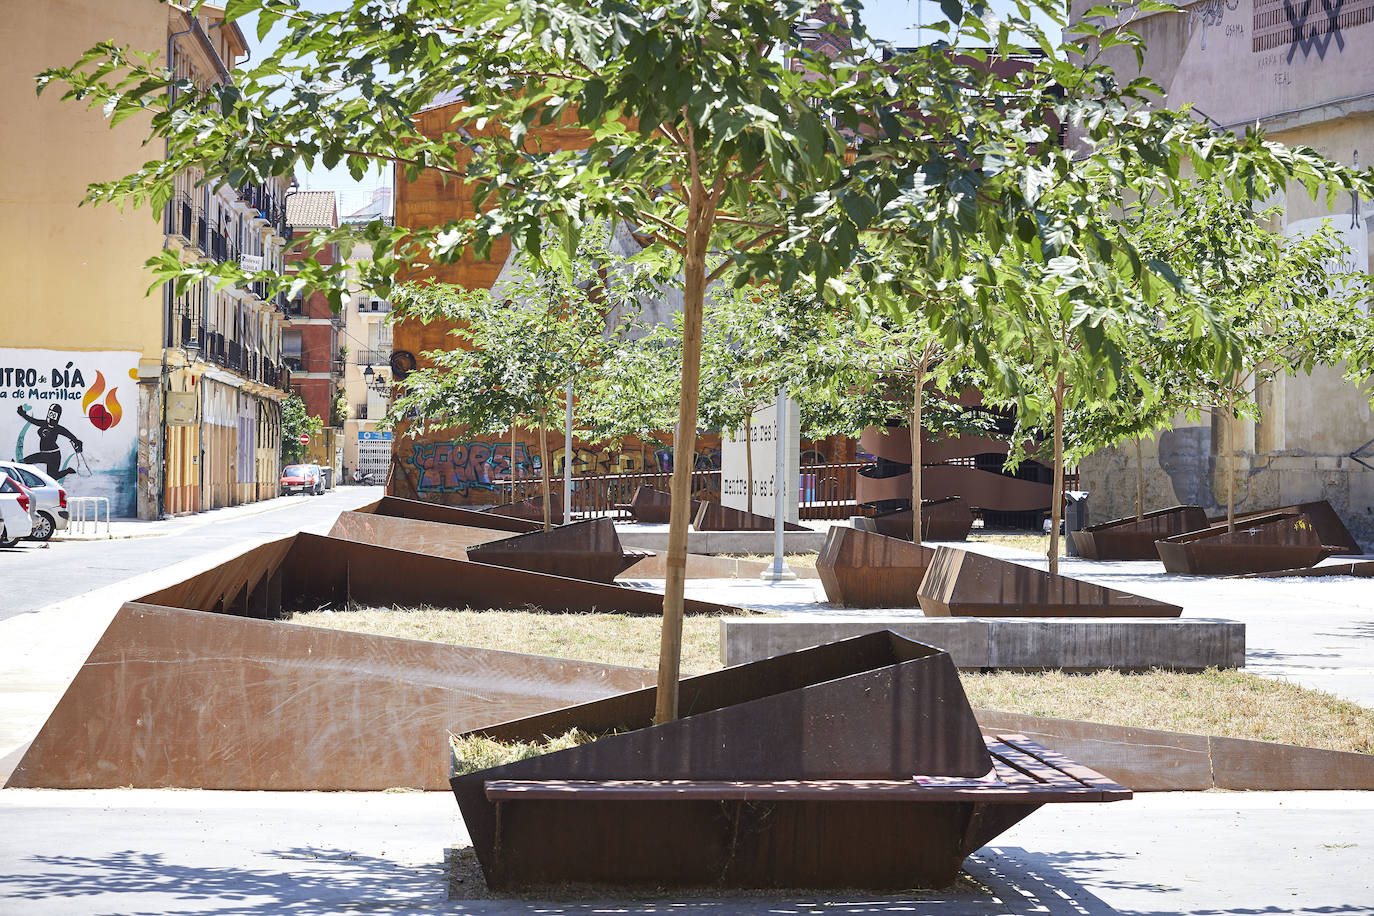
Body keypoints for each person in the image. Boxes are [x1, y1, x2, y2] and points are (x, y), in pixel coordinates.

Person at [17, 404, 83, 481]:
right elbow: (33, 420)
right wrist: (23, 414)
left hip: (53, 455)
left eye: (54, 415)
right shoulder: (44, 424)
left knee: (53, 476)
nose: (51, 417)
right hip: (44, 454)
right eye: (50, 414)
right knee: (25, 462)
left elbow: (69, 435)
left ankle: (68, 470)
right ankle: (14, 466)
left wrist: (77, 442)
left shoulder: (58, 428)